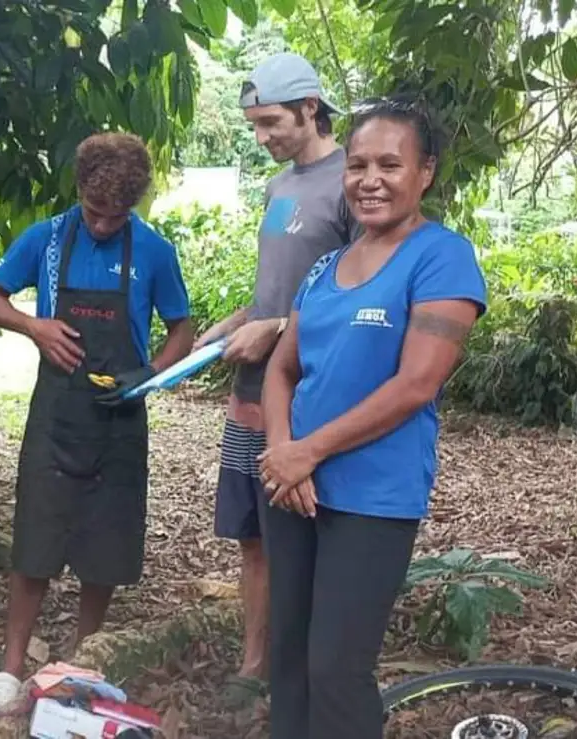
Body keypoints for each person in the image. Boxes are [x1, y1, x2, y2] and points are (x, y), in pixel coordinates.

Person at [254, 95, 487, 738]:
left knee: (337, 666)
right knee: (290, 657)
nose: (370, 180)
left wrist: (310, 451)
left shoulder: (442, 257)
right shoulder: (328, 266)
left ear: (426, 172)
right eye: (358, 165)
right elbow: (282, 367)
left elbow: (417, 383)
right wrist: (282, 453)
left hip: (373, 495)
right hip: (291, 488)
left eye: (390, 164)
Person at [0, 131, 195, 716]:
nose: (102, 225)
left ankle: (77, 664)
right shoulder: (45, 240)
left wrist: (149, 374)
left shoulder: (153, 251)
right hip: (57, 413)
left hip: (120, 419)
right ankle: (10, 667)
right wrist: (34, 327)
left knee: (106, 544)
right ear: (79, 194)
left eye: (116, 216)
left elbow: (181, 330)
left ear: (134, 207)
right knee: (35, 540)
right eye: (95, 212)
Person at [191, 51, 358, 707]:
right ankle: (256, 662)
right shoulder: (279, 188)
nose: (261, 138)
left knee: (308, 532)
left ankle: (310, 664)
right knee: (254, 534)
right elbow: (277, 290)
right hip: (251, 393)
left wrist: (280, 332)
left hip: (310, 391)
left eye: (269, 123)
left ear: (309, 109)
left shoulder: (354, 181)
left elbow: (350, 298)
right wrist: (229, 325)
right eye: (254, 126)